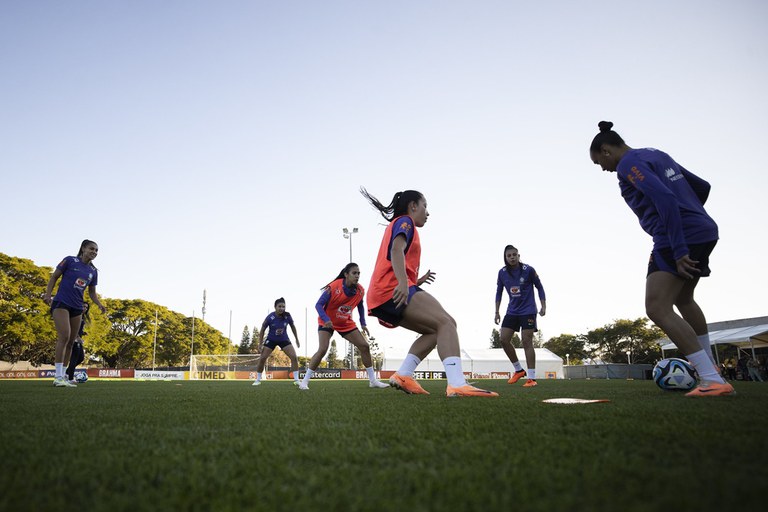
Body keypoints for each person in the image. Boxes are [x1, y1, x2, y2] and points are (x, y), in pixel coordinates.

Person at [589, 121, 733, 397]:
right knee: (684, 299)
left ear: (606, 151)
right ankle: (711, 369)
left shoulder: (627, 164)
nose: (604, 169)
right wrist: (692, 213)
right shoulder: (655, 154)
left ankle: (711, 379)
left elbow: (665, 198)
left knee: (656, 307)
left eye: (599, 163)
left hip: (676, 238)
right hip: (703, 230)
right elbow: (702, 187)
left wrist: (679, 248)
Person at [361, 187, 498, 397]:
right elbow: (396, 250)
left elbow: (396, 257)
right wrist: (403, 283)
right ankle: (457, 384)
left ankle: (404, 374)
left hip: (381, 296)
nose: (427, 212)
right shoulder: (405, 221)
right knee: (447, 323)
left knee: (435, 331)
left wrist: (415, 280)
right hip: (391, 289)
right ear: (413, 206)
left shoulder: (398, 225)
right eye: (425, 206)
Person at [299, 263, 389, 390]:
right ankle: (304, 381)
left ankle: (373, 381)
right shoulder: (334, 287)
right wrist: (326, 319)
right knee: (323, 349)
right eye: (354, 273)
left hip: (345, 322)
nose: (357, 276)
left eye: (359, 273)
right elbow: (318, 305)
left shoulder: (360, 290)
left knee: (364, 346)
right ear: (346, 274)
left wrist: (363, 323)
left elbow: (360, 305)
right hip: (327, 321)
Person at [43, 239, 106, 388]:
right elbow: (54, 277)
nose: (94, 252)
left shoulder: (93, 271)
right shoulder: (70, 260)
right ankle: (57, 376)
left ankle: (64, 376)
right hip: (61, 303)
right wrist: (47, 294)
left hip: (77, 307)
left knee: (71, 342)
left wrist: (99, 304)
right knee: (64, 336)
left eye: (96, 250)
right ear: (83, 248)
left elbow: (92, 292)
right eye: (92, 249)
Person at [494, 245, 546, 387]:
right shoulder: (502, 273)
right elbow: (499, 292)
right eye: (509, 255)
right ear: (505, 258)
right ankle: (518, 370)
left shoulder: (528, 270)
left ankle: (532, 378)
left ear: (518, 256)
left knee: (526, 341)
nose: (512, 257)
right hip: (512, 311)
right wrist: (497, 311)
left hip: (528, 310)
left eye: (514, 255)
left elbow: (539, 287)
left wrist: (543, 305)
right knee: (504, 339)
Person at [252, 298, 301, 386]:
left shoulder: (287, 316)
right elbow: (262, 329)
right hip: (271, 340)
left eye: (283, 306)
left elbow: (293, 327)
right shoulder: (270, 317)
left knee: (294, 357)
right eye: (279, 306)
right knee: (262, 358)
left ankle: (297, 380)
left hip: (284, 339)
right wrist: (260, 343)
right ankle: (258, 380)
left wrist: (296, 339)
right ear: (275, 307)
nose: (281, 308)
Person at [65, 302, 89, 384]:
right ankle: (70, 378)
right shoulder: (76, 316)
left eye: (86, 307)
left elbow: (78, 329)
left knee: (81, 358)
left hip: (78, 339)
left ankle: (67, 373)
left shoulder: (82, 317)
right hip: (75, 340)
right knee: (74, 359)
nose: (85, 308)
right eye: (83, 306)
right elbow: (72, 328)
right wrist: (77, 337)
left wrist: (83, 333)